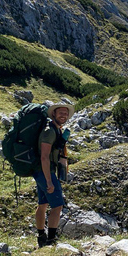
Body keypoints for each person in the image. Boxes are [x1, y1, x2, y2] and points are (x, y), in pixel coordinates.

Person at [34, 102, 73, 248]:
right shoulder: (49, 131)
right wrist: (49, 181)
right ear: (54, 114)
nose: (64, 115)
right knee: (57, 206)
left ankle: (41, 237)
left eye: (66, 113)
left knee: (43, 204)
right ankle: (51, 239)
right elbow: (44, 157)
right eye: (61, 113)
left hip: (41, 171)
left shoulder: (56, 130)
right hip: (45, 172)